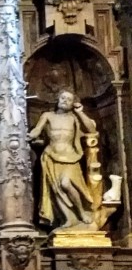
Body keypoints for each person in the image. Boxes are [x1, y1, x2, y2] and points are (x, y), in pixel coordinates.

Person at [28, 90, 97, 229]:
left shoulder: (74, 117)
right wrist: (28, 136)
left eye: (69, 99)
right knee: (56, 189)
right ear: (57, 99)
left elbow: (90, 129)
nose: (65, 100)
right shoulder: (47, 115)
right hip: (51, 156)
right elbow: (37, 130)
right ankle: (67, 218)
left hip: (70, 157)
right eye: (63, 97)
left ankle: (81, 212)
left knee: (65, 184)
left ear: (73, 104)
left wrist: (80, 112)